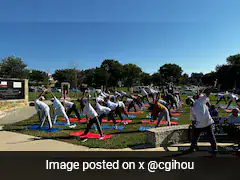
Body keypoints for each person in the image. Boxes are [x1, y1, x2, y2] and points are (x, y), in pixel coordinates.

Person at [187, 85, 218, 154]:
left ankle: (192, 148)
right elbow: (207, 94)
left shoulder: (193, 106)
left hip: (201, 124)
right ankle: (214, 149)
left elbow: (193, 119)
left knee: (196, 137)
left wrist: (193, 126)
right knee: (211, 136)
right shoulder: (199, 101)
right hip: (207, 122)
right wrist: (212, 86)